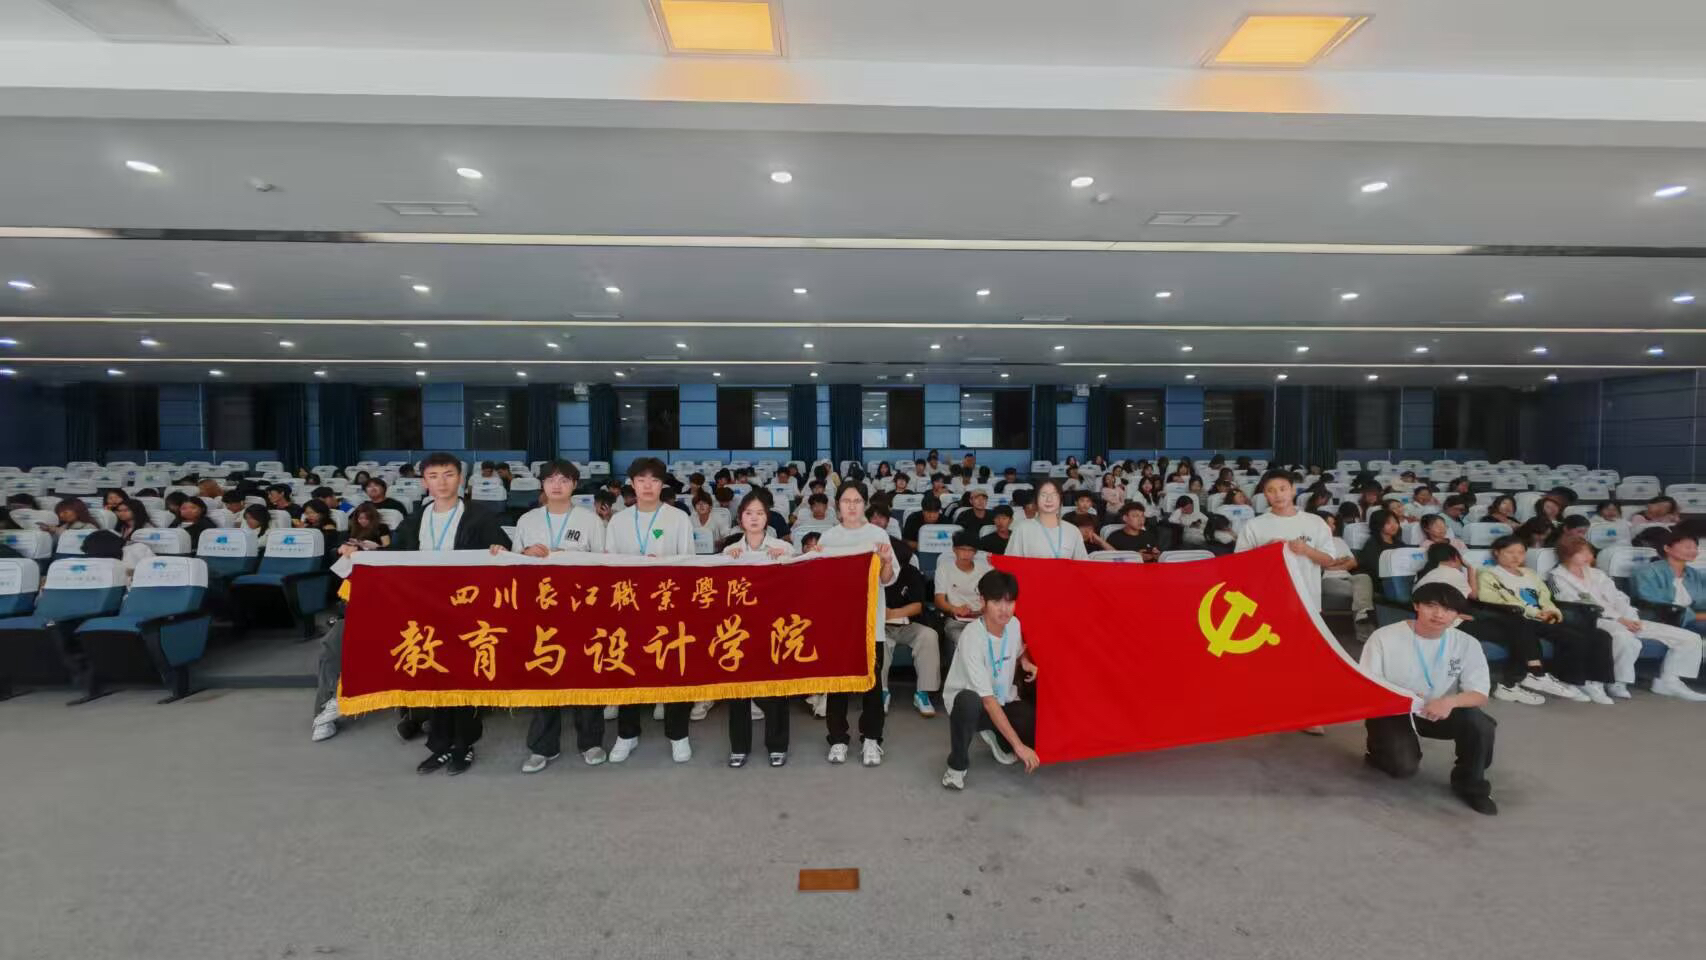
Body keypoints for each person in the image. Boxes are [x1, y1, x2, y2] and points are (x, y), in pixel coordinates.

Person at [360, 452, 508, 772]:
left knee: (464, 679)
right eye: (434, 476)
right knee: (435, 675)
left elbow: (502, 551)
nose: (442, 482)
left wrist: (500, 551)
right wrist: (361, 552)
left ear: (460, 478)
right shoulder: (416, 518)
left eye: (448, 474)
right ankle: (440, 745)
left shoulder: (480, 517)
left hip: (467, 610)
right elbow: (395, 556)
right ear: (424, 481)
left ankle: (464, 746)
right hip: (426, 610)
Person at [486, 460, 610, 772]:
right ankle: (543, 747)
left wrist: (571, 558)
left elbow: (604, 565)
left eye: (564, 480)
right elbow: (514, 565)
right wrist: (524, 554)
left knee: (585, 675)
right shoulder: (528, 520)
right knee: (543, 674)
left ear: (575, 485)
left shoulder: (590, 520)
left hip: (580, 609)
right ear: (542, 484)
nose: (557, 485)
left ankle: (591, 742)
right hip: (539, 610)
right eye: (551, 479)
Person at [1359, 583, 1500, 816]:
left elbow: (1479, 694)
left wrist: (1449, 702)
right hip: (1394, 710)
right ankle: (1378, 751)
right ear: (1416, 606)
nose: (1439, 614)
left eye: (1448, 609)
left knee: (1480, 724)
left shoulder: (1466, 643)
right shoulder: (1384, 637)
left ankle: (1471, 785)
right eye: (1431, 606)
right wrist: (1406, 697)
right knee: (1402, 768)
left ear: (1457, 615)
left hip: (1437, 709)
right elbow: (1367, 686)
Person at [592, 457, 698, 764]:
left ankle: (678, 734)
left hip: (667, 605)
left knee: (674, 669)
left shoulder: (678, 518)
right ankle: (627, 734)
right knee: (628, 668)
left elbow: (688, 563)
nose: (648, 486)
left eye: (654, 480)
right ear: (632, 484)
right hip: (630, 606)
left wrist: (661, 568)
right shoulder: (619, 521)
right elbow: (610, 565)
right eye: (641, 480)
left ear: (662, 484)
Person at [1549, 536, 1704, 701]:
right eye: (1582, 553)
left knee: (1689, 638)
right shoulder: (1556, 577)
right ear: (1567, 554)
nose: (1589, 556)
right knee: (1625, 637)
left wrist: (1630, 617)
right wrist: (1619, 619)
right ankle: (1616, 681)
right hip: (1593, 619)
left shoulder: (1597, 574)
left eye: (1589, 552)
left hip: (1625, 619)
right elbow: (1576, 604)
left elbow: (1618, 597)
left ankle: (1670, 681)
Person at [1477, 536, 1616, 704]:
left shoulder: (1530, 573)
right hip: (1521, 619)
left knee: (1601, 636)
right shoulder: (1489, 574)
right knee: (1574, 638)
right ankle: (1571, 681)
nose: (1516, 557)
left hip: (1544, 617)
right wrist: (1535, 613)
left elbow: (1544, 596)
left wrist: (1552, 611)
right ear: (1497, 553)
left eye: (1521, 552)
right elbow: (1494, 598)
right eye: (1510, 552)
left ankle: (1594, 682)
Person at [817, 481, 899, 766]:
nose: (851, 506)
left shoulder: (877, 535)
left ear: (865, 504)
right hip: (838, 624)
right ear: (837, 505)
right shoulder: (829, 538)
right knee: (837, 682)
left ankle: (872, 739)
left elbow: (887, 579)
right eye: (846, 501)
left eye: (857, 501)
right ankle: (838, 738)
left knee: (872, 684)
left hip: (869, 623)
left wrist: (885, 561)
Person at [941, 569, 1039, 790]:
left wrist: (1024, 661)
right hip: (972, 703)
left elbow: (1017, 649)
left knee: (1031, 722)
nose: (1004, 609)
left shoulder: (1014, 624)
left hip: (1002, 699)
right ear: (982, 601)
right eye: (997, 602)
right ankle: (956, 766)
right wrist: (1019, 746)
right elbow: (987, 700)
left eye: (1010, 602)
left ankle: (997, 735)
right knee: (969, 701)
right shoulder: (972, 637)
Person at [1413, 544, 1546, 705]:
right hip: (1454, 625)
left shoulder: (1426, 574)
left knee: (1518, 626)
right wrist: (1470, 568)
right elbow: (1474, 595)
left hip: (1444, 621)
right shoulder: (1451, 573)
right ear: (1455, 558)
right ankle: (1516, 680)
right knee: (1519, 630)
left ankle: (1529, 674)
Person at [1236, 470, 1338, 614]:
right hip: (1266, 602)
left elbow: (1329, 561)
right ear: (1265, 495)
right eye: (1271, 490)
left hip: (1307, 602)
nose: (1278, 495)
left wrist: (1306, 550)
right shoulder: (1253, 526)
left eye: (1282, 489)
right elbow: (1239, 566)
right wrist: (1265, 551)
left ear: (1293, 490)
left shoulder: (1315, 522)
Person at [882, 552, 941, 717]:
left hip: (908, 624)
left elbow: (918, 606)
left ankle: (923, 693)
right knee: (878, 640)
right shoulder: (872, 571)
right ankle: (881, 691)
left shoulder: (912, 573)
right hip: (881, 627)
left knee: (929, 635)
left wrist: (893, 613)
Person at [1631, 529, 1706, 637]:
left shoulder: (1693, 574)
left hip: (1693, 618)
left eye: (1695, 548)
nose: (1693, 551)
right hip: (1663, 621)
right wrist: (1699, 616)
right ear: (1667, 548)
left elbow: (1702, 600)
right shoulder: (1648, 572)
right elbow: (1658, 606)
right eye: (1688, 547)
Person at [934, 531, 991, 651]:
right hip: (956, 621)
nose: (966, 553)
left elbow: (993, 597)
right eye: (962, 549)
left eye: (970, 550)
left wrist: (985, 608)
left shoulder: (986, 570)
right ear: (954, 549)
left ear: (975, 552)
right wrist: (954, 609)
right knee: (966, 641)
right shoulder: (944, 569)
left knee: (990, 640)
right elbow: (939, 600)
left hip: (981, 620)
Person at [1004, 479, 1087, 560]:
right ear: (1036, 500)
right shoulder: (1022, 528)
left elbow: (1082, 564)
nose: (1049, 499)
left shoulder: (1072, 531)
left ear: (1061, 500)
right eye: (1043, 495)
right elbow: (1010, 562)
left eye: (1054, 495)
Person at [1318, 512, 1373, 625]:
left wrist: (1333, 565)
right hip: (1328, 579)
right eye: (1329, 524)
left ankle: (1361, 613)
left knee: (1364, 577)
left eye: (1333, 524)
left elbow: (1353, 563)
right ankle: (1362, 615)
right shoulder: (1313, 543)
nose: (1333, 527)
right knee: (1362, 592)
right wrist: (1340, 561)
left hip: (1347, 576)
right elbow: (1320, 566)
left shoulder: (1339, 541)